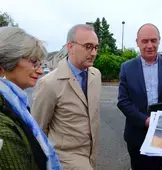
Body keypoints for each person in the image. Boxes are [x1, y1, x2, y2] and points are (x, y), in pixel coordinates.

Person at [117, 23, 162, 170]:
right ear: (137, 42)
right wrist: (146, 120)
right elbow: (123, 101)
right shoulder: (127, 68)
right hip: (136, 134)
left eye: (153, 40)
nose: (150, 45)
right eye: (145, 41)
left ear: (159, 40)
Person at [31, 24, 101, 170]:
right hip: (63, 161)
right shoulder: (49, 83)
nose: (93, 53)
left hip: (91, 156)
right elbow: (38, 129)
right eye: (88, 46)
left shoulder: (96, 75)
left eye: (95, 47)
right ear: (70, 46)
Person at [0, 27, 61, 170]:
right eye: (34, 62)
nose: (40, 71)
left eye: (40, 64)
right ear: (5, 61)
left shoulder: (13, 103)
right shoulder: (4, 122)